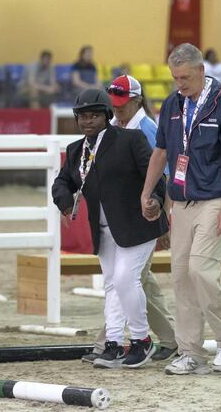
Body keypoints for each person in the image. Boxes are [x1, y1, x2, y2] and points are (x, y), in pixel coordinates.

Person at [140, 43, 221, 375]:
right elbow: (160, 152)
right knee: (181, 276)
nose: (180, 85)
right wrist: (147, 193)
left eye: (185, 77)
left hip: (214, 199)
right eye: (175, 78)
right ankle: (190, 350)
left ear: (202, 71)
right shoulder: (172, 104)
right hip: (181, 202)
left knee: (202, 270)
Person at [52, 89, 167, 369]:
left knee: (126, 279)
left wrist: (155, 200)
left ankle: (142, 340)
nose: (87, 121)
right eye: (82, 116)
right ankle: (114, 343)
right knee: (112, 284)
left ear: (106, 115)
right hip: (104, 230)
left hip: (138, 224)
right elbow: (62, 182)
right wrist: (65, 202)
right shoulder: (77, 150)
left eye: (93, 115)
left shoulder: (130, 139)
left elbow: (154, 176)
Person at [79, 74, 179, 363]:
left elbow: (165, 175)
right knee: (135, 281)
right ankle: (165, 338)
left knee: (127, 280)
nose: (118, 109)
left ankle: (109, 343)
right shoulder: (114, 127)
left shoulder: (148, 130)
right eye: (115, 104)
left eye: (123, 104)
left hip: (140, 221)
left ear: (138, 101)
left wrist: (163, 217)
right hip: (122, 220)